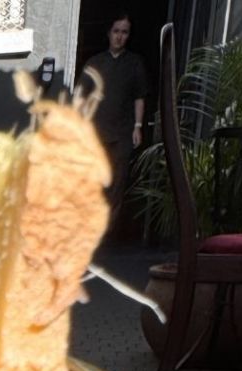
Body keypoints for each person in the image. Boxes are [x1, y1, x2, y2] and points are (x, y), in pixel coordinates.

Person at [79, 13, 148, 224]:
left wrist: (137, 126)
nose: (119, 36)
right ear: (109, 33)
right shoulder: (95, 63)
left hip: (121, 135)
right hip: (96, 134)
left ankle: (107, 231)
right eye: (116, 31)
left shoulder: (134, 63)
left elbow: (139, 97)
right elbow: (81, 97)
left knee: (116, 185)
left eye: (124, 32)